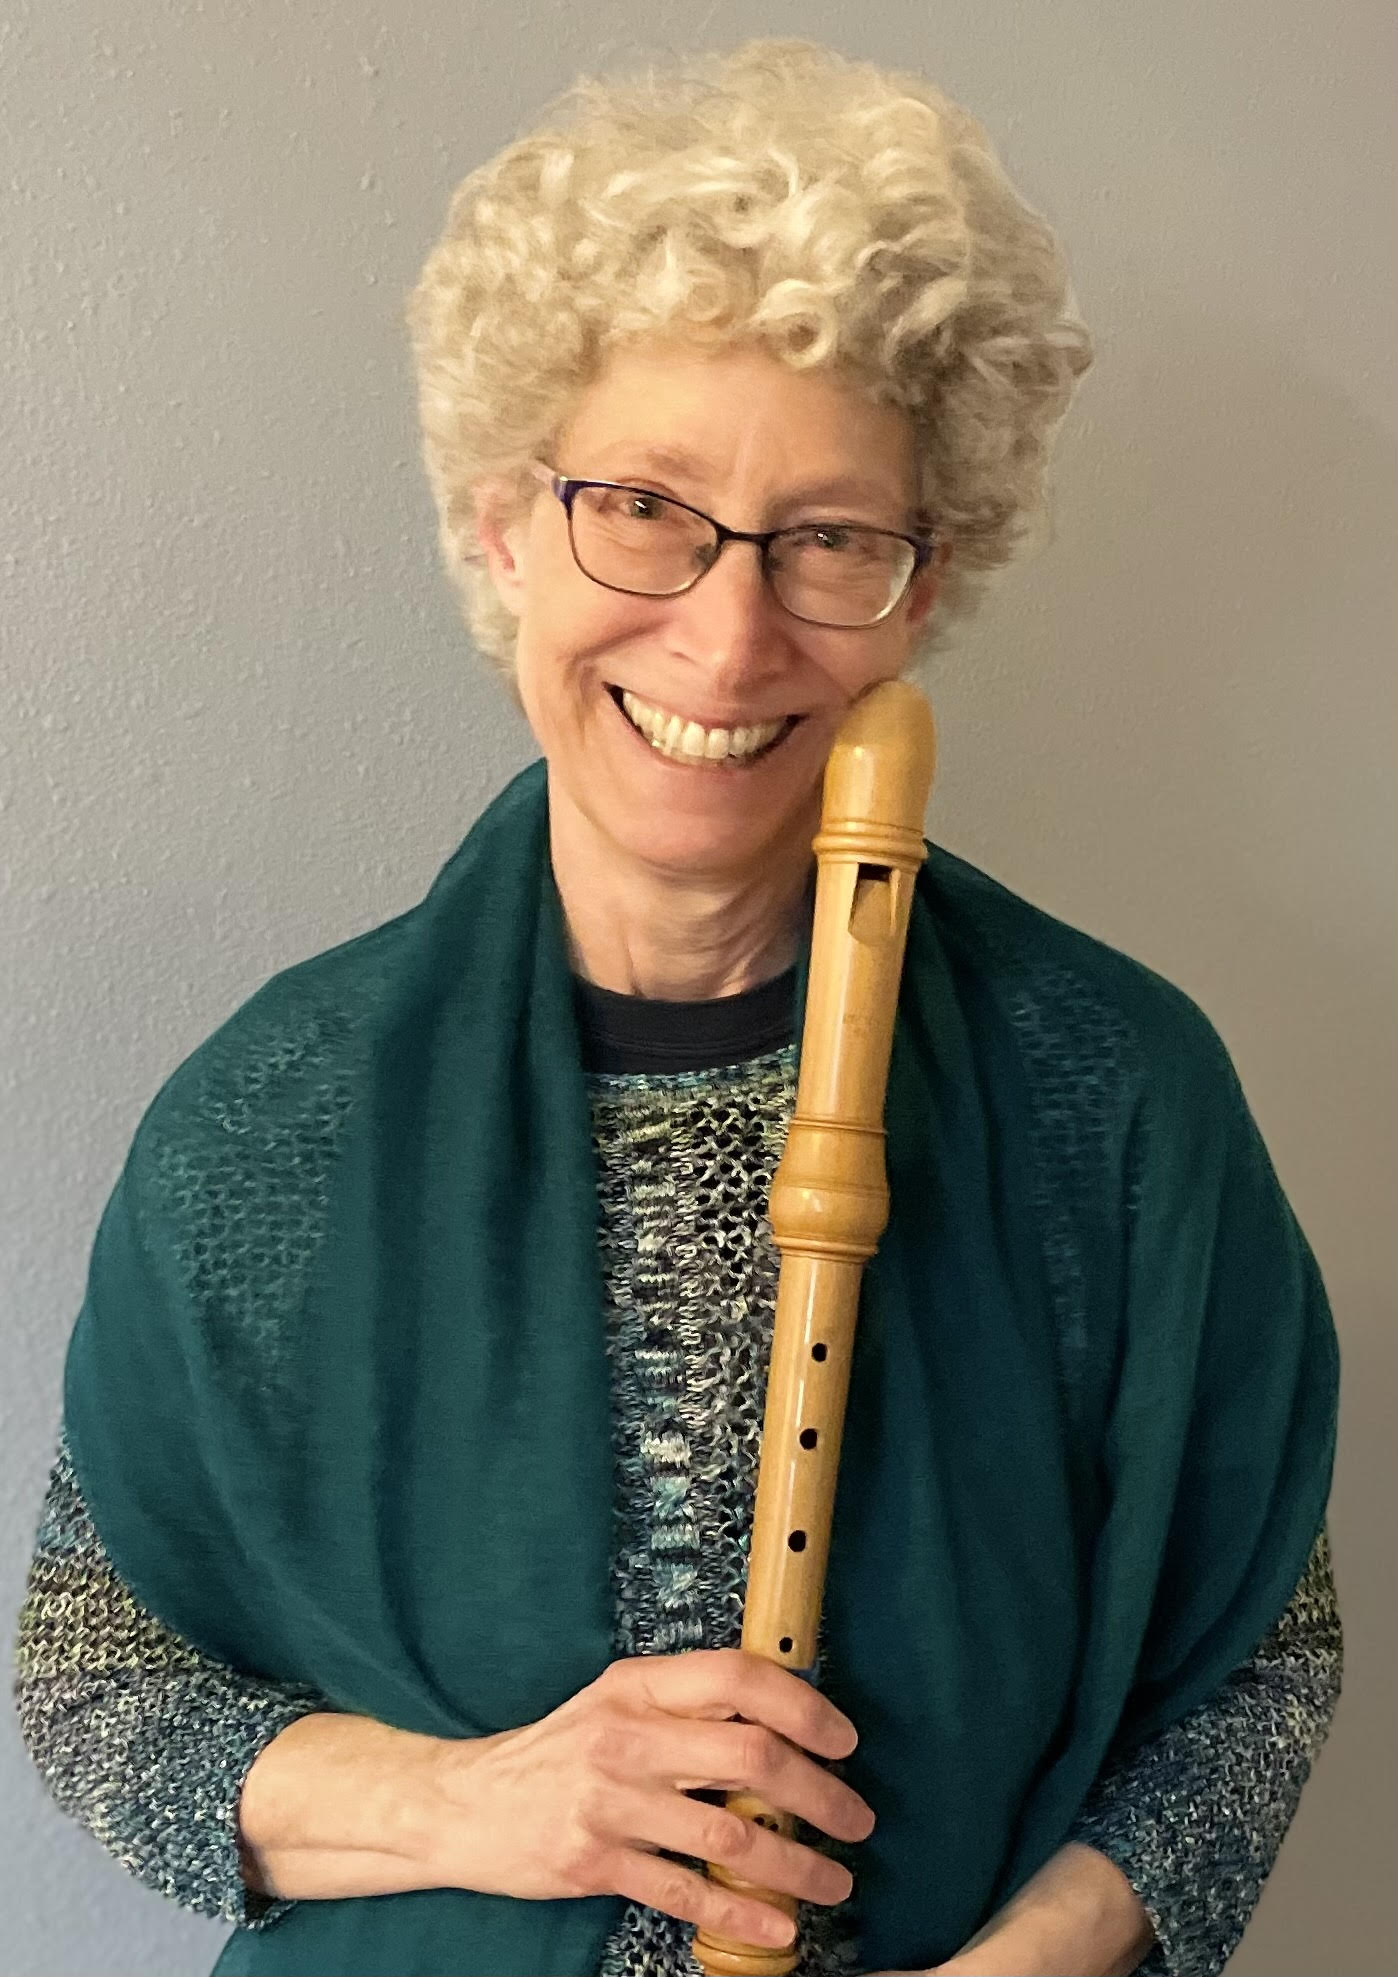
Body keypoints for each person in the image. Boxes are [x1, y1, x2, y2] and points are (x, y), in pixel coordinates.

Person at [15, 37, 1340, 1977]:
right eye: (642, 503)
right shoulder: (267, 1119)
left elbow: (1254, 1666)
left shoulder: (1113, 1094)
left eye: (828, 537)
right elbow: (90, 1671)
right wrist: (492, 1798)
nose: (727, 634)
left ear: (920, 581)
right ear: (502, 528)